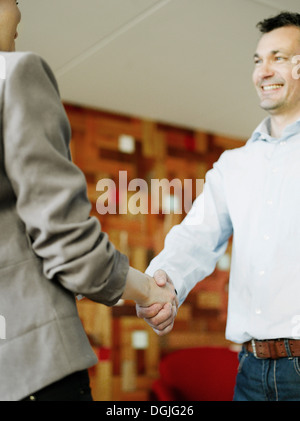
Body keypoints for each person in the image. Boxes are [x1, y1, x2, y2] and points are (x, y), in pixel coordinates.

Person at [0, 0, 177, 401]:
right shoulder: (12, 75)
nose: (20, 13)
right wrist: (150, 291)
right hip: (31, 372)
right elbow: (70, 246)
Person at [137, 11, 300, 401]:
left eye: (278, 57)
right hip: (249, 371)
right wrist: (161, 286)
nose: (264, 70)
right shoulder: (233, 165)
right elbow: (195, 236)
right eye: (258, 60)